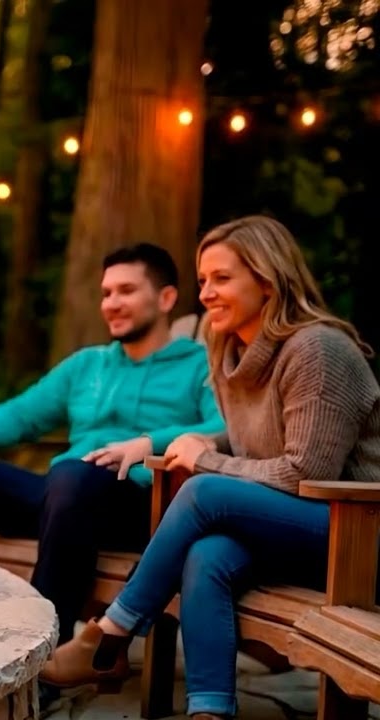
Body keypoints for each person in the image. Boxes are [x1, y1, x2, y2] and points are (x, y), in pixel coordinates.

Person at [40, 216, 380, 720]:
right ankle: (209, 711)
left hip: (355, 534)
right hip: (294, 528)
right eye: (203, 281)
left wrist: (208, 458)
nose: (207, 293)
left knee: (204, 491)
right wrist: (210, 437)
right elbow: (260, 429)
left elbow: (305, 472)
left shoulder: (317, 350)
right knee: (207, 555)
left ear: (267, 280)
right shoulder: (230, 353)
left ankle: (109, 635)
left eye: (222, 278)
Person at [0, 243, 224, 646]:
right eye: (106, 293)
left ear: (166, 299)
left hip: (139, 505)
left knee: (72, 477)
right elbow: (26, 412)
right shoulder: (88, 364)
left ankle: (42, 649)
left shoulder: (198, 364)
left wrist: (149, 443)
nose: (111, 303)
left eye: (126, 291)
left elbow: (222, 426)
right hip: (63, 499)